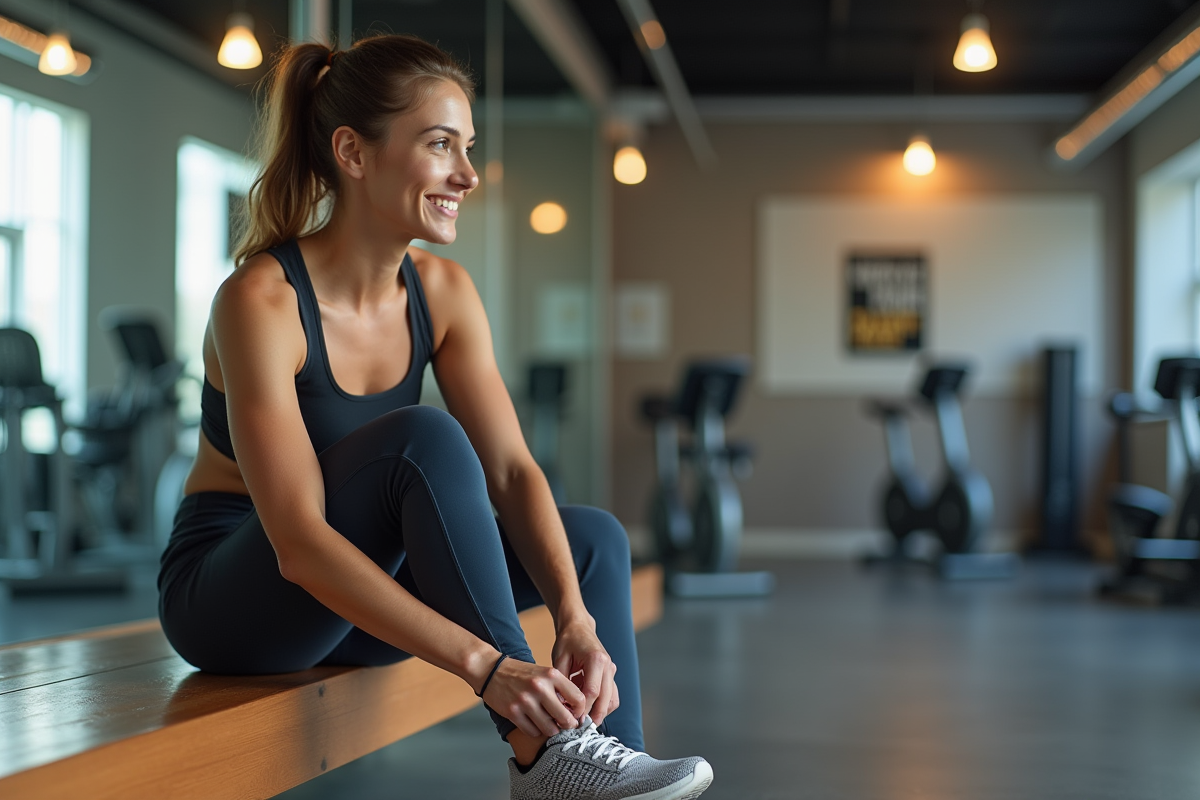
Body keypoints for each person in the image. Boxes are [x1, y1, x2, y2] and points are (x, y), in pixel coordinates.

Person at [157, 33, 712, 800]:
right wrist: (489, 668)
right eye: (441, 145)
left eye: (468, 146)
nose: (468, 174)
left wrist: (575, 618)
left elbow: (514, 470)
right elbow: (299, 544)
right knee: (421, 437)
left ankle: (595, 769)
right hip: (240, 603)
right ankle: (543, 750)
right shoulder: (262, 301)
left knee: (592, 542)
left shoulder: (442, 292)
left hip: (361, 603)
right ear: (353, 152)